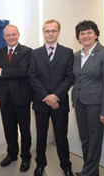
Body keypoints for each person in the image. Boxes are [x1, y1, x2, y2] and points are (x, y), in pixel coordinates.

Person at [72, 20, 104, 176]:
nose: (85, 36)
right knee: (85, 140)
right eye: (82, 33)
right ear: (78, 37)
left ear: (96, 34)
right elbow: (76, 79)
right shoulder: (76, 55)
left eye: (89, 32)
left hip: (96, 105)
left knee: (94, 142)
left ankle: (88, 173)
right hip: (79, 103)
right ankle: (90, 171)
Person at [28, 19, 74, 176]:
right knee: (41, 136)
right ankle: (40, 164)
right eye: (47, 31)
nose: (50, 33)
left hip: (60, 102)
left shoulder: (68, 53)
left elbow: (69, 77)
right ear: (43, 32)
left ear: (59, 32)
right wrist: (47, 97)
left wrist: (56, 96)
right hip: (41, 102)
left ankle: (66, 166)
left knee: (61, 137)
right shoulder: (35, 53)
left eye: (53, 30)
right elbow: (32, 77)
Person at [0, 24, 32, 172]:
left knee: (25, 130)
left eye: (13, 34)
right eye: (8, 35)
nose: (11, 37)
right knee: (9, 129)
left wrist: (2, 71)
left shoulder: (27, 51)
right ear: (4, 37)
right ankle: (12, 154)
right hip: (4, 98)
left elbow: (23, 71)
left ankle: (26, 157)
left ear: (18, 35)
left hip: (21, 98)